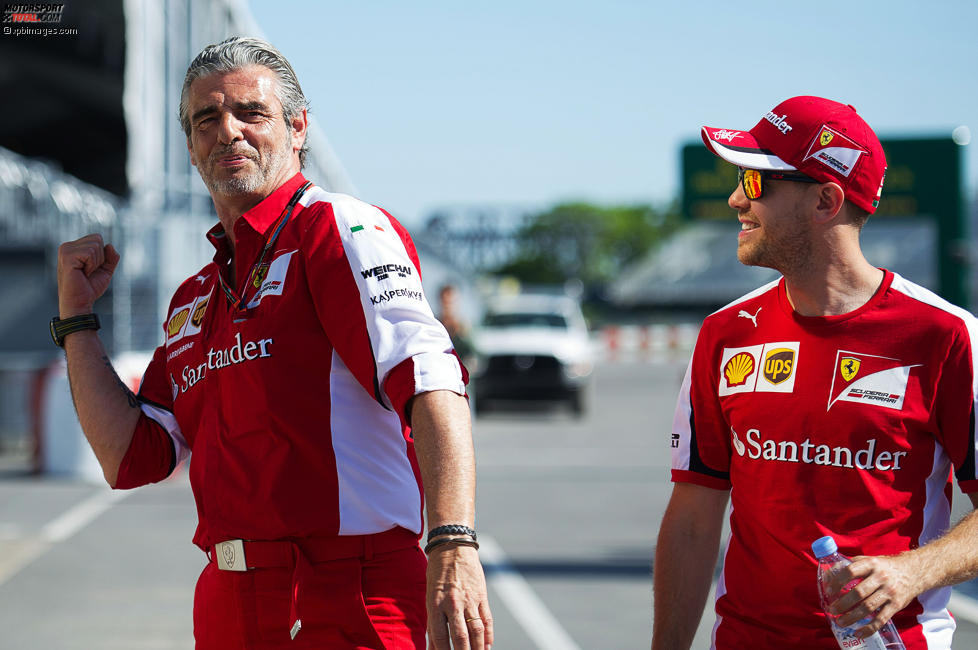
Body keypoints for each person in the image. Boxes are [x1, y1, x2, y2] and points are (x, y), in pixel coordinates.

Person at [53, 36, 492, 649]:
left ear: (297, 127)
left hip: (346, 592)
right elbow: (131, 457)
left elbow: (431, 382)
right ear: (189, 146)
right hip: (228, 599)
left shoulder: (337, 228)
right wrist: (76, 320)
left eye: (250, 113)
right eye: (207, 119)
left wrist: (453, 542)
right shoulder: (195, 296)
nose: (228, 131)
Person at [651, 96, 978, 649]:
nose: (735, 199)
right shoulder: (724, 333)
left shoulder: (947, 335)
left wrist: (912, 572)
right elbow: (693, 516)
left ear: (826, 200)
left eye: (756, 183)